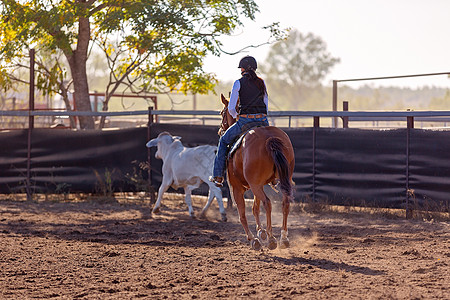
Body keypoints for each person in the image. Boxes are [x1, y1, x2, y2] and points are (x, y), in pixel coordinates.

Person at [209, 55, 269, 187]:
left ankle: (218, 176)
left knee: (224, 141)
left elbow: (230, 108)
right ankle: (276, 176)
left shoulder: (238, 83)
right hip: (263, 121)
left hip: (245, 121)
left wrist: (237, 116)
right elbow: (266, 104)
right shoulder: (261, 82)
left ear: (243, 69)